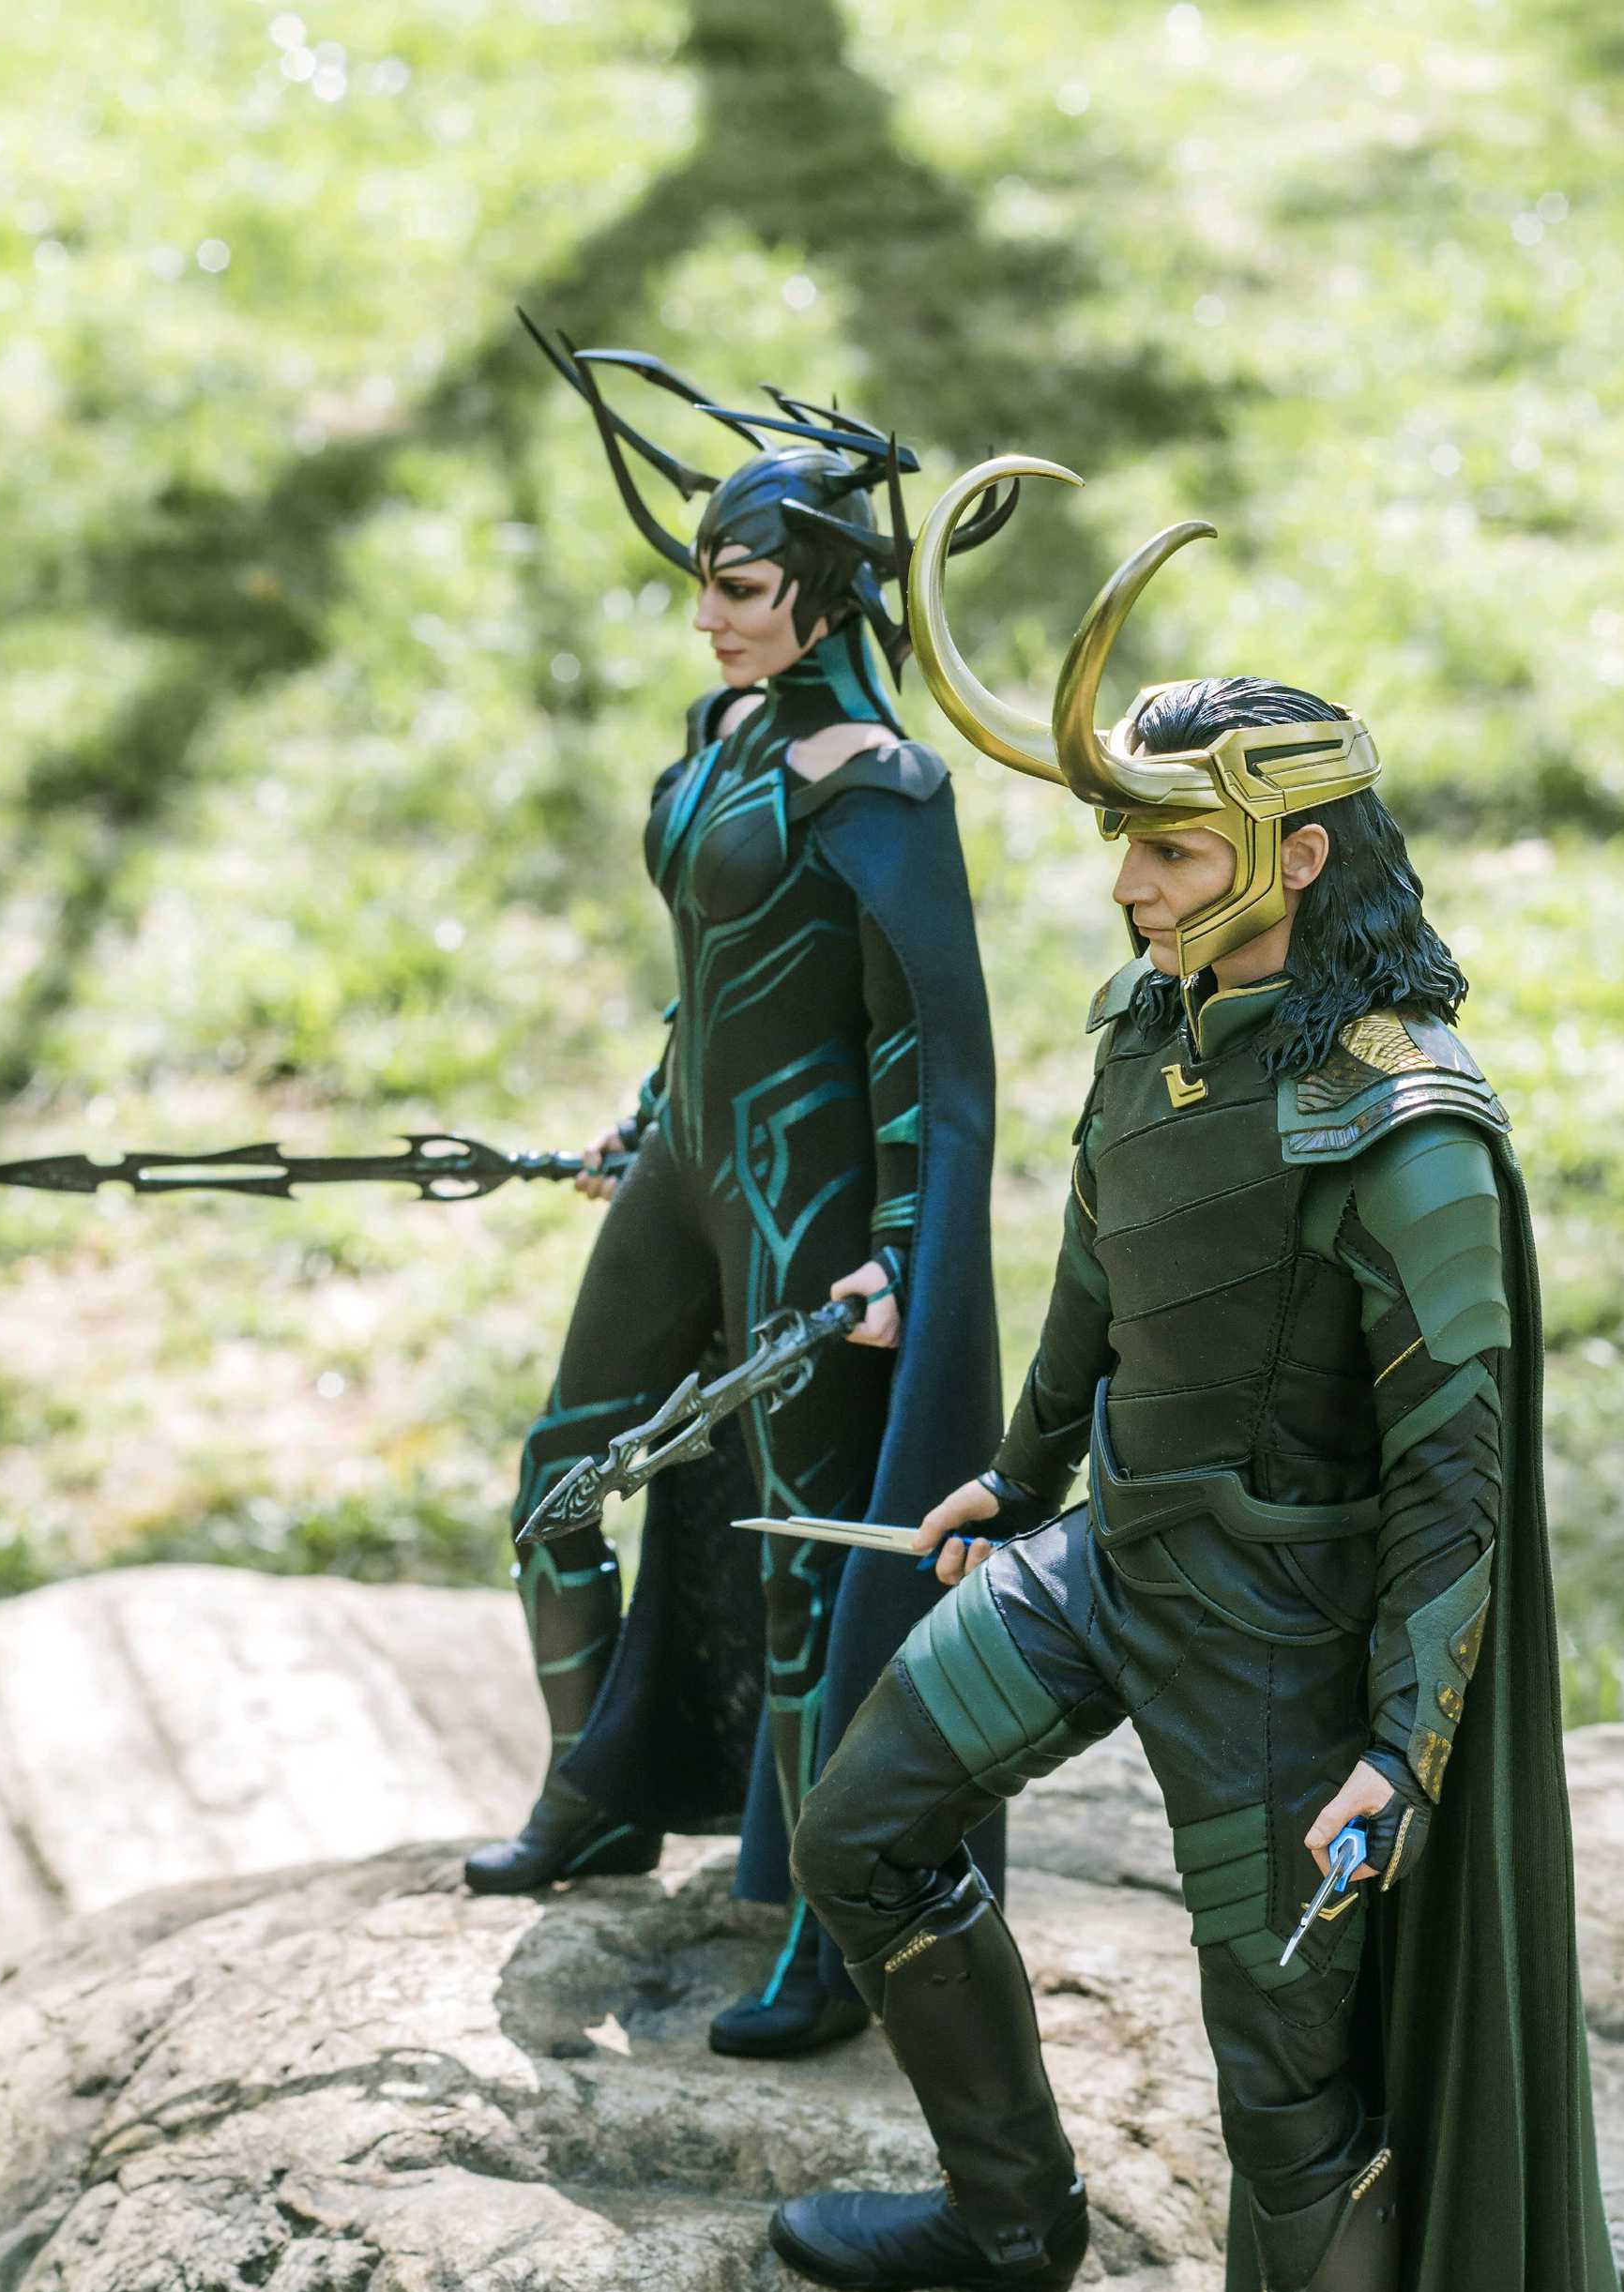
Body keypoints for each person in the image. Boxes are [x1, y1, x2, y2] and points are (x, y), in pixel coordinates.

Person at [766, 459, 1624, 2292]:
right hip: (1103, 1563)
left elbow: (1458, 1484)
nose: (1130, 886)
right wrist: (1015, 1472)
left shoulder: (1404, 1130)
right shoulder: (1148, 1028)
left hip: (1276, 1646)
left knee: (1286, 2088)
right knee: (865, 1823)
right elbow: (1094, 1273)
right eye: (1130, 848)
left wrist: (1401, 1752)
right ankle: (1010, 2214)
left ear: (1296, 852)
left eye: (1166, 850)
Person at [464, 329, 1010, 2059]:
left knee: (800, 1562)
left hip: (809, 1209)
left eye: (745, 587)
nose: (708, 616)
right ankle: (598, 1789)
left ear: (829, 591)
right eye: (706, 582)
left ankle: (827, 1930)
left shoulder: (884, 788)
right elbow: (713, 978)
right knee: (560, 1479)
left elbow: (923, 1041)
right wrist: (642, 1113)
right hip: (690, 1164)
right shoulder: (719, 736)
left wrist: (904, 1246)